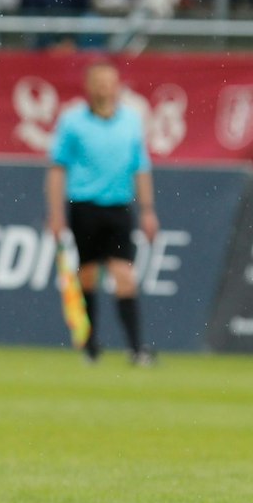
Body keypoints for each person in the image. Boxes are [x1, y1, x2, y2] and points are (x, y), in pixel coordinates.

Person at [44, 62, 157, 367]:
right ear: (89, 87)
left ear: (118, 86)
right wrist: (55, 214)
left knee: (124, 276)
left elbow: (141, 167)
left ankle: (136, 348)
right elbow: (58, 168)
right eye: (100, 82)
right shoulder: (72, 122)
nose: (105, 87)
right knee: (88, 276)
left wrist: (147, 210)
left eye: (110, 82)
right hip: (84, 206)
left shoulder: (131, 122)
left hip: (119, 207)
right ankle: (90, 344)